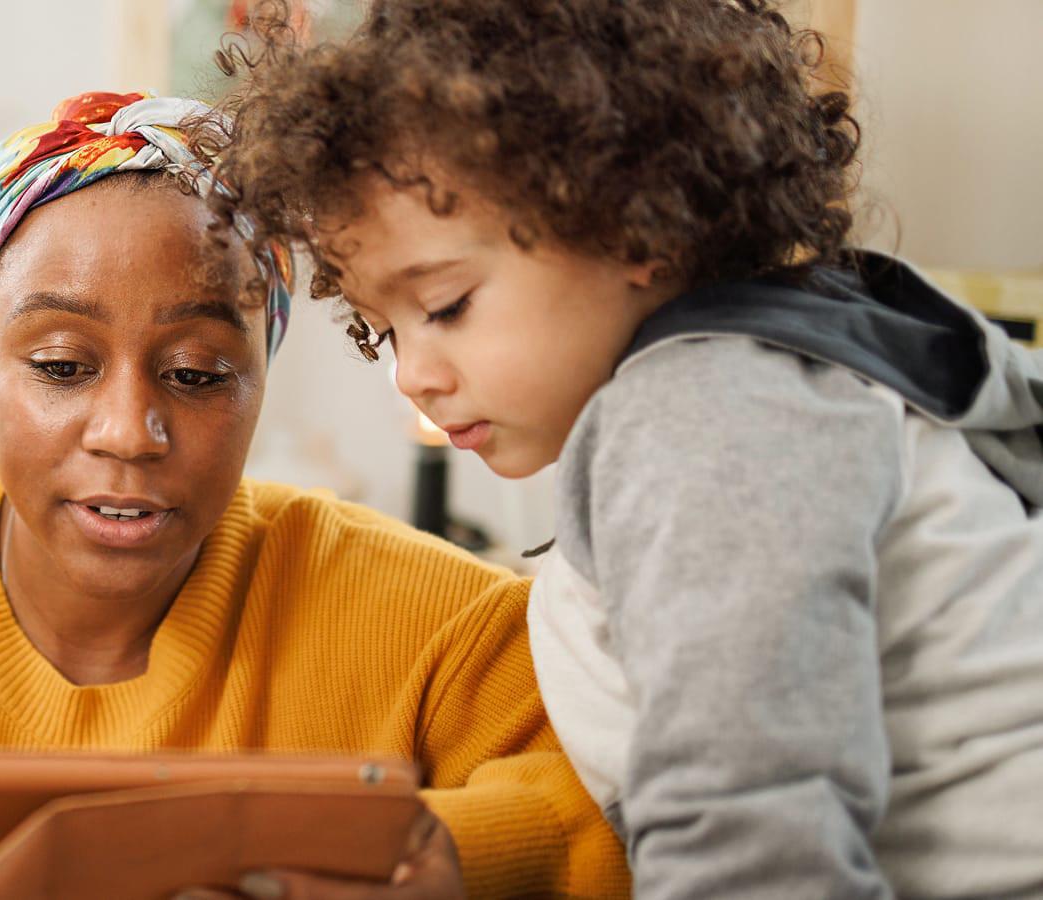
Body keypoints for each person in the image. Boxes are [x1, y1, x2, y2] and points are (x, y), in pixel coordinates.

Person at [0, 91, 629, 900]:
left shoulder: (436, 620)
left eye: (196, 374)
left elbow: (610, 830)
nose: (129, 433)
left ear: (260, 377)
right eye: (59, 364)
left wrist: (443, 856)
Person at [204, 1, 1043, 897]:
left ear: (638, 226)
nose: (412, 375)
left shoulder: (707, 419)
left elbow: (753, 833)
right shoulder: (793, 368)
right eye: (384, 333)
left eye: (446, 306)